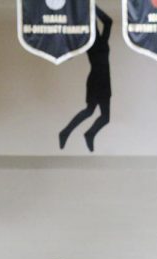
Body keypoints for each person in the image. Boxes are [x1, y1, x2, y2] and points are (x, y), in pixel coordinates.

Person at [58, 5, 112, 152]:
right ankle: (66, 132)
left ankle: (89, 133)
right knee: (90, 111)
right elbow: (73, 51)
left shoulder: (103, 39)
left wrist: (93, 7)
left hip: (105, 79)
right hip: (96, 78)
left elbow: (108, 21)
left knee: (105, 117)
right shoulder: (87, 41)